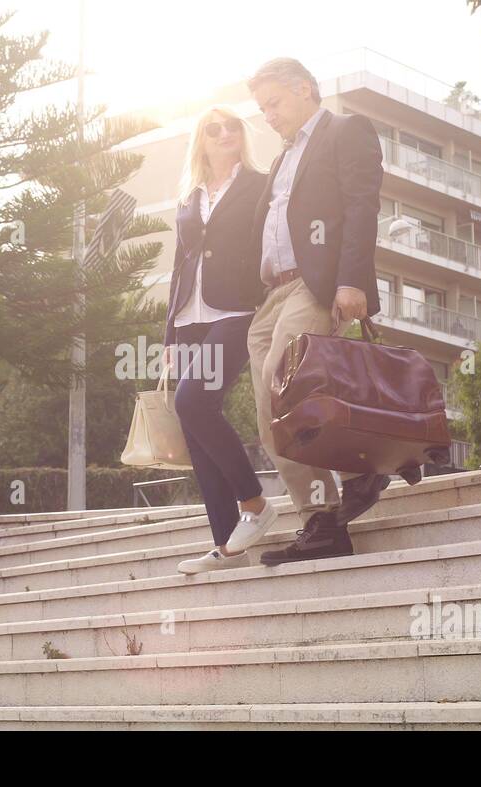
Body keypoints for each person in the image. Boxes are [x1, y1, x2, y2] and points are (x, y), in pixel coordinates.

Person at [244, 57, 390, 567]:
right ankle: (320, 518)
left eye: (274, 102)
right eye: (261, 108)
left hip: (315, 285)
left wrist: (352, 281)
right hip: (272, 296)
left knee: (276, 380)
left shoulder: (345, 131)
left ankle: (357, 474)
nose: (268, 115)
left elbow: (360, 204)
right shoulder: (282, 159)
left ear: (304, 89)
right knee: (268, 409)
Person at [163, 106, 279, 575]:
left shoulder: (258, 184)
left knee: (193, 403)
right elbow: (177, 267)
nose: (226, 132)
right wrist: (169, 334)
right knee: (194, 426)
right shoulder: (189, 197)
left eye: (233, 126)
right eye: (215, 128)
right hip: (190, 317)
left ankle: (255, 504)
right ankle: (227, 547)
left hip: (235, 311)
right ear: (202, 140)